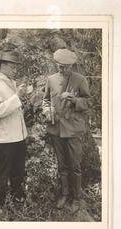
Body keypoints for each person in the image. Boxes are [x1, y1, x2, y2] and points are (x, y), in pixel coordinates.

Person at [42, 48, 91, 212]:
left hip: (74, 129)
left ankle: (76, 198)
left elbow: (88, 103)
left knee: (75, 165)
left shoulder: (80, 79)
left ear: (72, 65)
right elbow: (46, 101)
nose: (63, 69)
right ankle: (64, 194)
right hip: (56, 129)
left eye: (66, 66)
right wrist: (47, 111)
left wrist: (75, 100)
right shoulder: (51, 79)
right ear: (56, 64)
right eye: (60, 66)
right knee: (62, 165)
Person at [0, 50, 28, 206]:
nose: (15, 70)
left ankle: (18, 201)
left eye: (16, 67)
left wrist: (20, 95)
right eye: (12, 66)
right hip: (4, 137)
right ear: (2, 66)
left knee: (18, 172)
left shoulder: (10, 82)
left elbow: (14, 106)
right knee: (2, 174)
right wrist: (17, 96)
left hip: (18, 136)